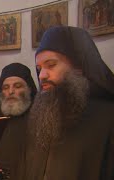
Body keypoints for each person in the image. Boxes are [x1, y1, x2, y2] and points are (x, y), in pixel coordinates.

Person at [26, 26, 114, 179]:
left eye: (51, 65)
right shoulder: (46, 115)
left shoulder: (109, 118)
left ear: (79, 67)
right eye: (39, 68)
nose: (41, 76)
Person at [0, 63, 37, 180]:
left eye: (18, 86)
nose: (10, 91)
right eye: (5, 87)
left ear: (28, 89)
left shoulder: (41, 120)